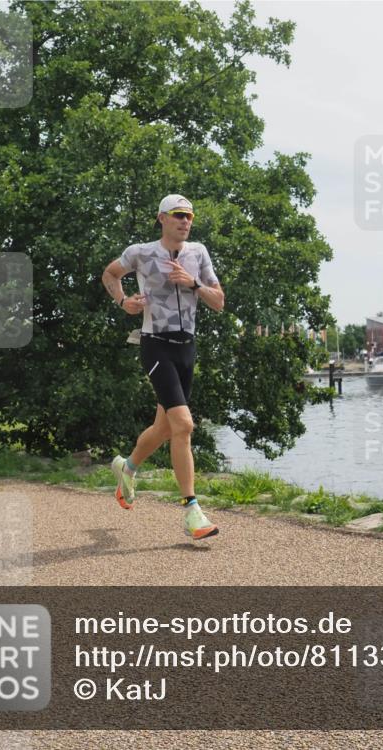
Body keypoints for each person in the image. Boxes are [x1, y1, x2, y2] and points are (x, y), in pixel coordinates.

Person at [101, 194, 225, 540]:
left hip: (187, 350)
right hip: (156, 346)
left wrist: (193, 283)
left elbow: (219, 301)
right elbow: (110, 274)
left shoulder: (198, 253)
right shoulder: (141, 253)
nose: (185, 221)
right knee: (184, 425)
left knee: (165, 429)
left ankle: (127, 468)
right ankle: (192, 511)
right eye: (178, 215)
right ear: (162, 218)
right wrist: (123, 301)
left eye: (189, 216)